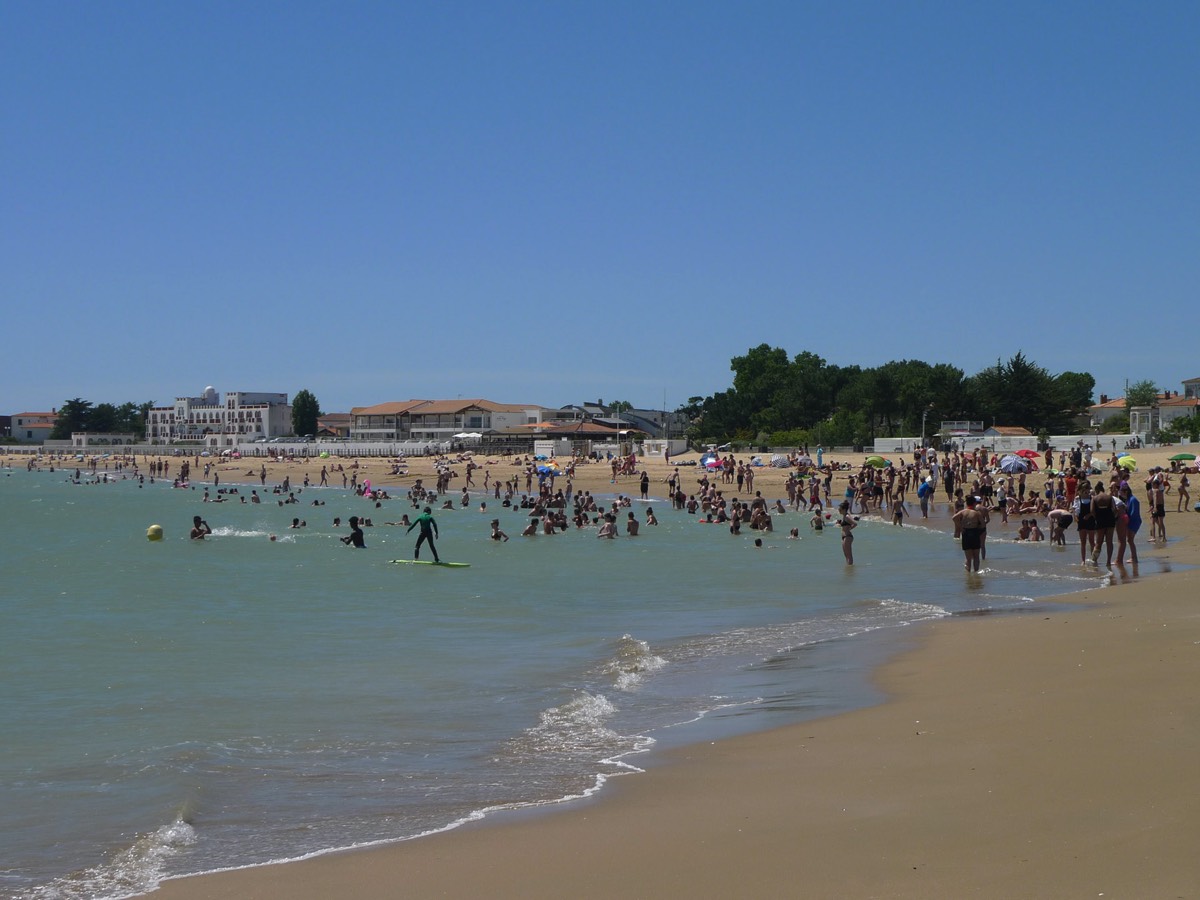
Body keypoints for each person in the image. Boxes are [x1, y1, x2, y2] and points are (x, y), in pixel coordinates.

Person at [953, 496, 985, 572]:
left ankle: (968, 576)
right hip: (974, 533)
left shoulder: (963, 512)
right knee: (976, 557)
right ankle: (976, 573)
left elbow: (954, 518)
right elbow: (983, 525)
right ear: (974, 503)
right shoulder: (977, 513)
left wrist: (960, 527)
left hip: (966, 533)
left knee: (968, 558)